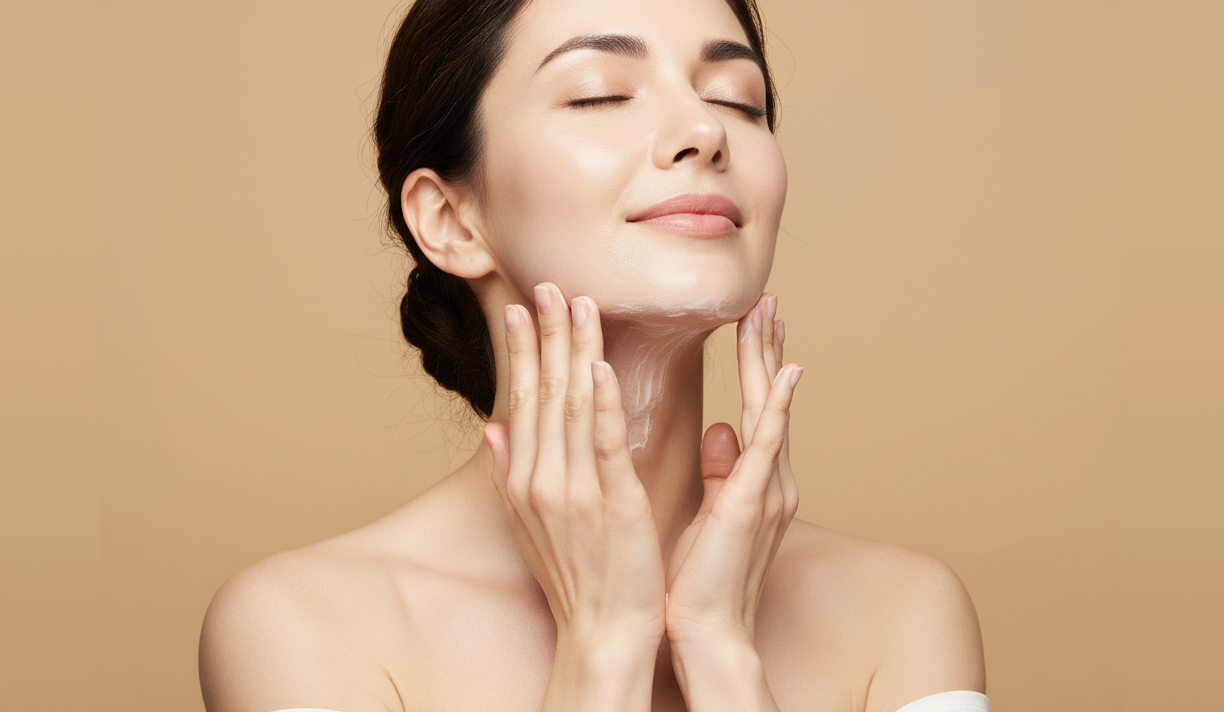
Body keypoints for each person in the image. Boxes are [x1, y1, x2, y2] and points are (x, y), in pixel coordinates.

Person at [198, 0, 988, 709]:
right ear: (449, 219)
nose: (705, 131)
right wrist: (604, 650)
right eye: (600, 93)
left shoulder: (903, 613)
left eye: (735, 100)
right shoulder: (305, 627)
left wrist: (719, 652)